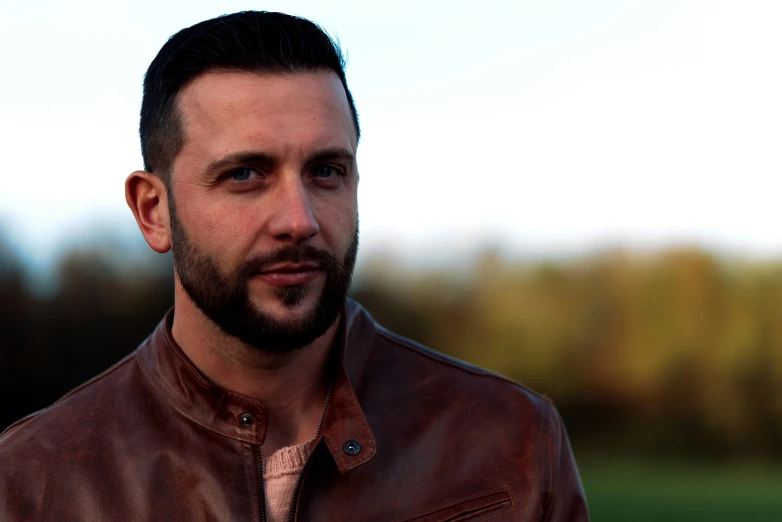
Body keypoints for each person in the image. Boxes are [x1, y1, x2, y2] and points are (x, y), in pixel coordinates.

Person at [0, 11, 589, 521]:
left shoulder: (510, 439)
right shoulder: (31, 479)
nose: (299, 220)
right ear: (154, 211)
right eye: (245, 174)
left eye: (326, 171)